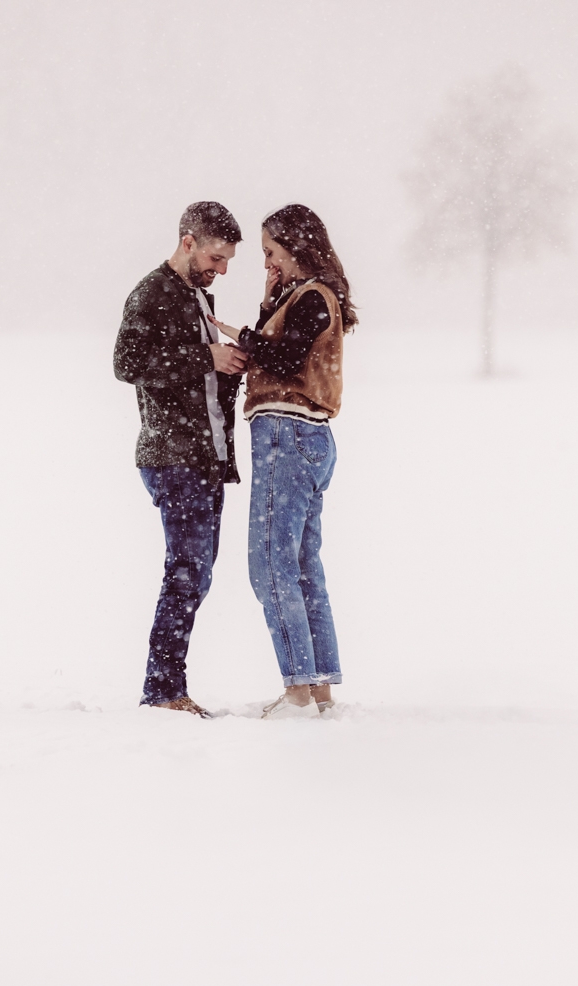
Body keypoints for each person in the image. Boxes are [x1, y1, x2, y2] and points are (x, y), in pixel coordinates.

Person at [208, 204, 357, 720]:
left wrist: (237, 335)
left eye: (272, 253)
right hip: (310, 438)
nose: (268, 263)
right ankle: (318, 688)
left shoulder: (311, 297)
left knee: (270, 564)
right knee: (302, 566)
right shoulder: (310, 296)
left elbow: (283, 358)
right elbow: (285, 347)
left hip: (285, 434)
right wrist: (270, 301)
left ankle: (297, 690)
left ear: (296, 247)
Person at [114, 202, 249, 717]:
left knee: (197, 572)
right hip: (173, 455)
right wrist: (204, 356)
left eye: (228, 260)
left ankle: (166, 686)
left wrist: (231, 365)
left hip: (204, 456)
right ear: (188, 241)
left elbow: (201, 382)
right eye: (217, 256)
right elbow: (126, 364)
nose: (223, 269)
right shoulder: (152, 293)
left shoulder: (196, 297)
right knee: (187, 572)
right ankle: (164, 690)